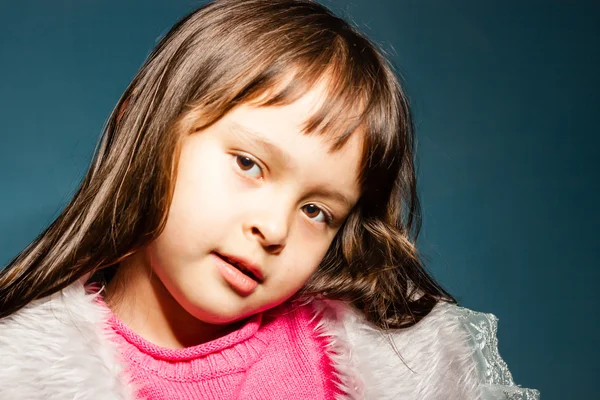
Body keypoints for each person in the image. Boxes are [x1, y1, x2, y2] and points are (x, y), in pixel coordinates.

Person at [0, 1, 540, 399]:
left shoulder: (391, 368)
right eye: (249, 164)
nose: (274, 228)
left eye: (316, 210)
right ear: (148, 133)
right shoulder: (20, 374)